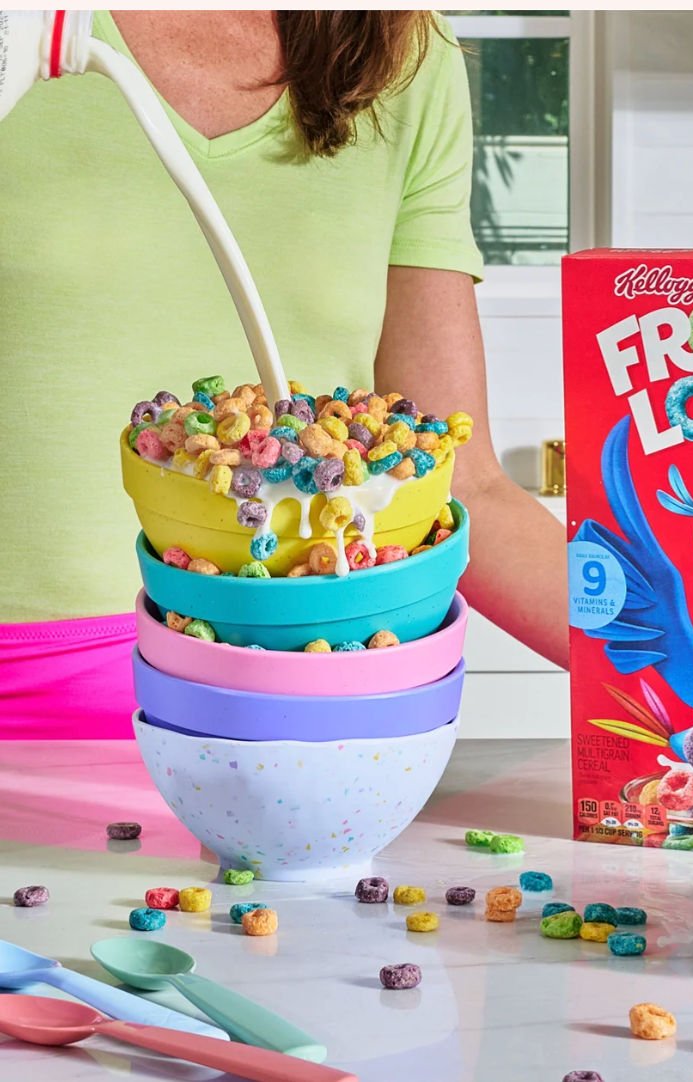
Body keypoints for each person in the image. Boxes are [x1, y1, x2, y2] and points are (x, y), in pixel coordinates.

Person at [0, 10, 569, 739]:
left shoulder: (401, 48)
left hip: (296, 716)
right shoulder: (26, 34)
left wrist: (687, 660)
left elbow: (463, 480)